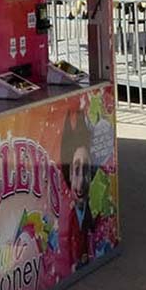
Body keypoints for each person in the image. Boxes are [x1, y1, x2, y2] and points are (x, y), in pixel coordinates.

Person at [60, 109, 94, 270]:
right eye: (76, 170)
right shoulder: (66, 216)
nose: (80, 184)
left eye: (86, 170)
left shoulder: (93, 211)